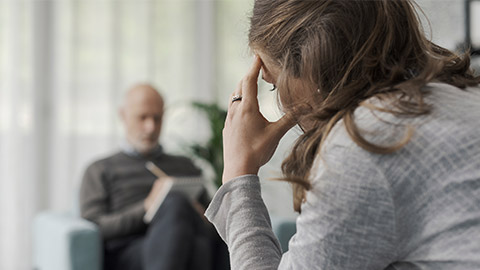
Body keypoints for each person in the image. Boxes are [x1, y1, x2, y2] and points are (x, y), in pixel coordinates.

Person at [204, 0, 480, 269]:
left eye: (276, 85)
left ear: (310, 66)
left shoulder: (366, 142)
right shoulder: (463, 96)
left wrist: (238, 174)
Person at [80, 84, 229, 270]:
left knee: (203, 240)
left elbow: (214, 223)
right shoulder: (100, 169)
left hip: (191, 242)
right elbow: (95, 227)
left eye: (157, 119)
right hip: (132, 250)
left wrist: (200, 215)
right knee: (175, 204)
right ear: (123, 115)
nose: (150, 127)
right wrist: (148, 207)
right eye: (142, 118)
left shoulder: (185, 166)